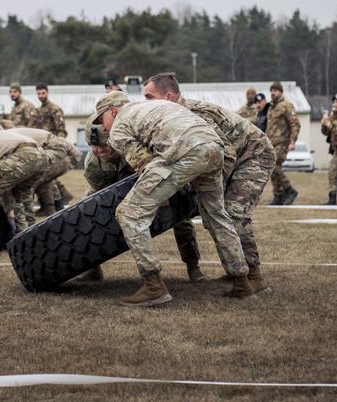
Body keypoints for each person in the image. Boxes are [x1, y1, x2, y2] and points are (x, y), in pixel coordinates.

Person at [97, 92, 251, 307]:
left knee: (129, 213)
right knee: (216, 215)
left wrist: (162, 196)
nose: (102, 128)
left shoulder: (119, 126)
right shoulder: (156, 105)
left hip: (185, 152)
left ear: (113, 110)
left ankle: (153, 286)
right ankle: (241, 281)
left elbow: (144, 162)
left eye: (101, 119)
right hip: (214, 149)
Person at [143, 73, 276, 293]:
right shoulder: (169, 118)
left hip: (253, 154)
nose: (144, 103)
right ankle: (236, 268)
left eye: (149, 97)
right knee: (217, 213)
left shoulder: (193, 116)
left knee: (233, 212)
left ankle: (254, 277)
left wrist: (212, 189)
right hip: (232, 158)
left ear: (167, 97)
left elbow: (227, 153)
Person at [80, 124, 209, 284]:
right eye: (95, 146)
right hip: (110, 190)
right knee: (88, 216)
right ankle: (93, 269)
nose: (100, 150)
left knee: (181, 219)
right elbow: (99, 193)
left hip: (147, 184)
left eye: (104, 145)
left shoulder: (133, 149)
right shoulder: (93, 164)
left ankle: (193, 267)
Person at [12, 127, 81, 224]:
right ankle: (50, 209)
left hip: (62, 154)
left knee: (30, 183)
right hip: (66, 154)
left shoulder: (10, 138)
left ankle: (29, 217)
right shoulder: (14, 133)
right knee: (45, 182)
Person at [34, 83, 75, 211]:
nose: (41, 96)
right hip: (43, 148)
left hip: (54, 148)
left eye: (43, 93)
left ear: (47, 93)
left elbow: (61, 130)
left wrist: (59, 147)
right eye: (39, 93)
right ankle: (57, 203)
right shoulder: (39, 111)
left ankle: (58, 204)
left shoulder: (54, 109)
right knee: (49, 178)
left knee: (48, 177)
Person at [265, 82, 301, 205]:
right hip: (271, 143)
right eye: (271, 90)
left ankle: (290, 190)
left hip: (282, 142)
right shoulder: (271, 108)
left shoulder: (286, 106)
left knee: (274, 166)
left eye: (275, 90)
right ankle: (278, 195)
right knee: (272, 169)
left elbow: (295, 124)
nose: (273, 93)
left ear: (281, 92)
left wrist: (292, 141)